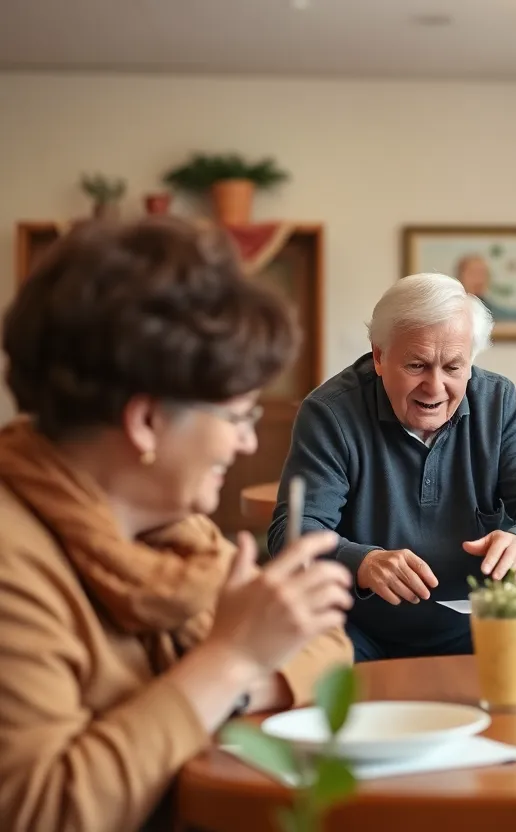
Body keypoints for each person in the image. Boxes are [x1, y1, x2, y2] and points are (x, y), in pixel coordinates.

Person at [0, 218, 353, 831]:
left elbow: (329, 651)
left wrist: (236, 683)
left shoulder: (174, 535)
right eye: (238, 416)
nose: (246, 443)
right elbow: (42, 812)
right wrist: (230, 659)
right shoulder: (14, 559)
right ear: (145, 423)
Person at [268, 272, 516, 660]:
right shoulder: (330, 413)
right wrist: (364, 563)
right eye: (417, 366)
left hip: (478, 630)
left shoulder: (497, 402)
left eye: (453, 368)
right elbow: (292, 534)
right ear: (379, 356)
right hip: (358, 635)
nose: (435, 386)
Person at [455, 253, 516, 322]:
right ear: (460, 277)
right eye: (473, 273)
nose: (479, 280)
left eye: (483, 274)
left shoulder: (500, 315)